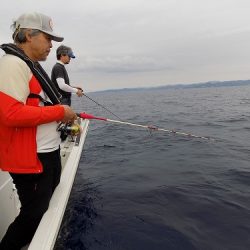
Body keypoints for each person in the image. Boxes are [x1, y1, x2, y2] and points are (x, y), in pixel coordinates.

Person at [0, 12, 78, 250]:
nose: (51, 45)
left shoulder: (30, 66)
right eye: (47, 38)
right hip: (32, 158)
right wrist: (60, 113)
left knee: (43, 206)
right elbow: (9, 114)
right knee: (33, 214)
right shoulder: (12, 64)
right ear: (28, 35)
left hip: (48, 152)